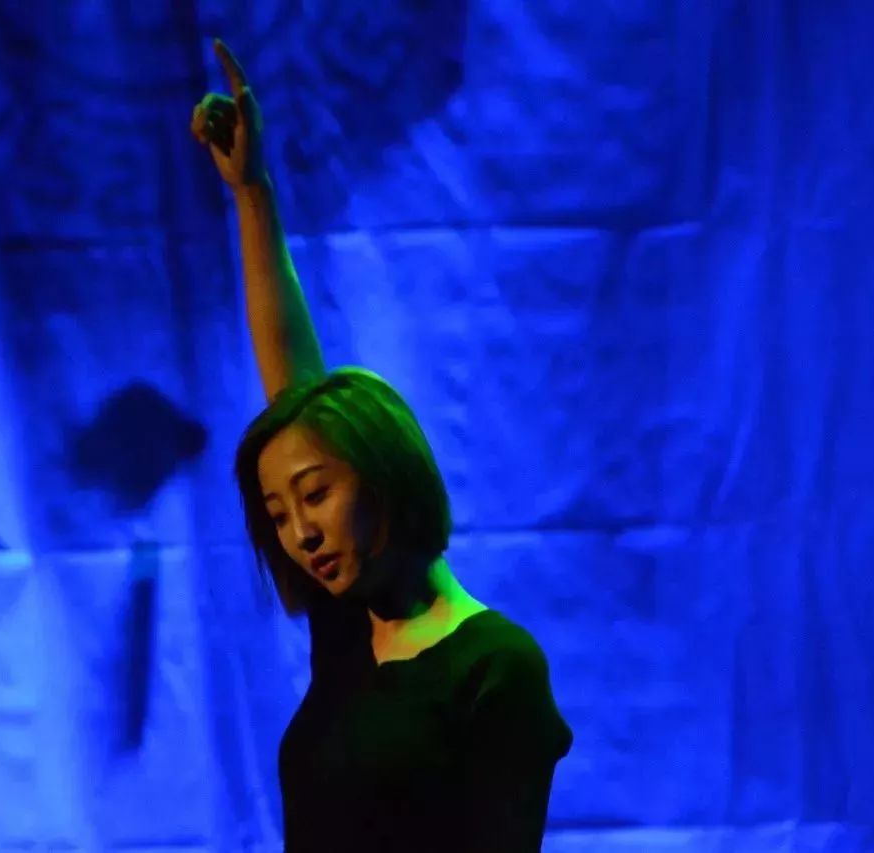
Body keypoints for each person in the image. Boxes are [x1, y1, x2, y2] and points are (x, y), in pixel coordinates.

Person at [191, 39, 574, 853]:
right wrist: (252, 193)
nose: (300, 532)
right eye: (278, 512)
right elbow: (293, 396)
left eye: (315, 494)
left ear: (384, 476)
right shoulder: (349, 630)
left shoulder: (494, 666)